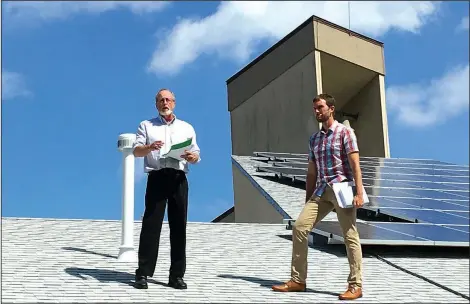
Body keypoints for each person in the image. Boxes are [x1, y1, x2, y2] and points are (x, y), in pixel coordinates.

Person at [271, 93, 365, 301]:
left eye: (320, 108)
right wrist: (308, 200)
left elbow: (355, 165)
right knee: (300, 227)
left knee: (350, 235)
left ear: (331, 108)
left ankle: (355, 285)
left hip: (342, 189)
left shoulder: (344, 133)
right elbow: (311, 172)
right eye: (315, 108)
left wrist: (359, 192)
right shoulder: (314, 139)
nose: (317, 112)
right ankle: (298, 280)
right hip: (321, 191)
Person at [132, 88, 201, 290]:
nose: (165, 103)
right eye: (161, 100)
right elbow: (136, 151)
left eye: (168, 100)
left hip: (178, 178)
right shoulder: (146, 125)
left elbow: (196, 154)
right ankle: (143, 273)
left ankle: (176, 276)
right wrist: (150, 147)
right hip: (157, 177)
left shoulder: (186, 127)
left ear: (174, 103)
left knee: (179, 227)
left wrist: (192, 157)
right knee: (151, 225)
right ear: (156, 104)